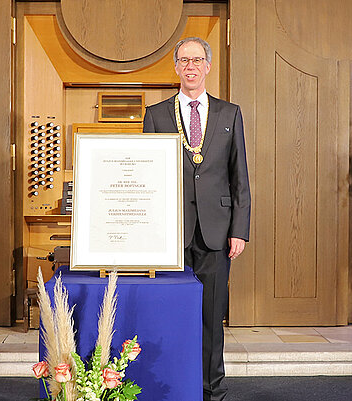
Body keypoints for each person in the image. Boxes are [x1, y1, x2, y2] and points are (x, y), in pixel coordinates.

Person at [142, 37, 251, 401]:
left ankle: (212, 391)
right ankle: (172, 387)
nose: (190, 66)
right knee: (172, 318)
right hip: (172, 235)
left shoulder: (229, 113)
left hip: (218, 233)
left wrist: (240, 230)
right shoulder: (156, 115)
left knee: (211, 320)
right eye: (184, 60)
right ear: (176, 67)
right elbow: (148, 179)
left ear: (207, 66)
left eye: (197, 59)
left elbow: (240, 178)